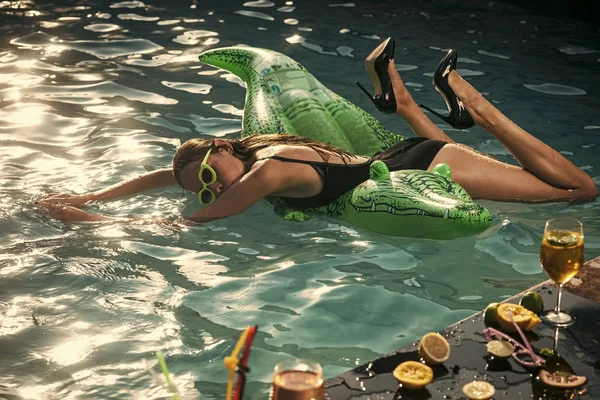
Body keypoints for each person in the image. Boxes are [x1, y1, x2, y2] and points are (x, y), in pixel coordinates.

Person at [37, 38, 598, 225]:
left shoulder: (266, 171)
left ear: (222, 146)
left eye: (211, 174)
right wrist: (93, 194)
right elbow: (170, 177)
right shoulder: (252, 148)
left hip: (425, 166)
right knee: (484, 162)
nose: (215, 186)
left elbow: (190, 221)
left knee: (577, 192)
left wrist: (90, 221)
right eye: (206, 184)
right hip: (407, 155)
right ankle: (399, 99)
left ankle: (474, 102)